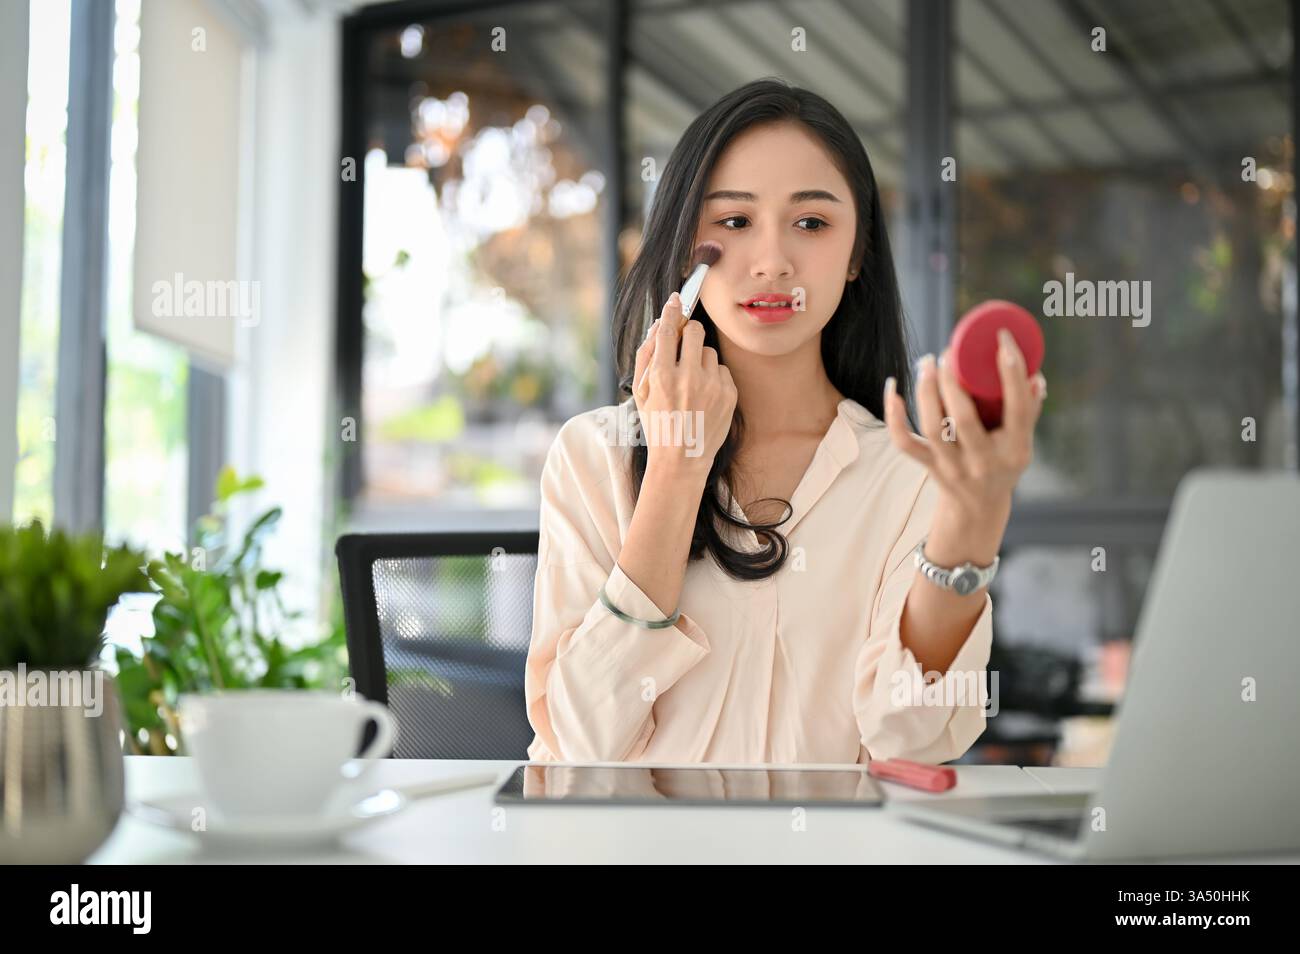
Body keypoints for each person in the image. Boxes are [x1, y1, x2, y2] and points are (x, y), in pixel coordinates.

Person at [524, 77, 1046, 765]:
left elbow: (911, 739)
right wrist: (678, 470)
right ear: (687, 252)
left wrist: (967, 536)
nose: (772, 262)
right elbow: (581, 743)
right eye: (733, 222)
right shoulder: (594, 456)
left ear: (857, 253)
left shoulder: (911, 476)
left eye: (812, 223)